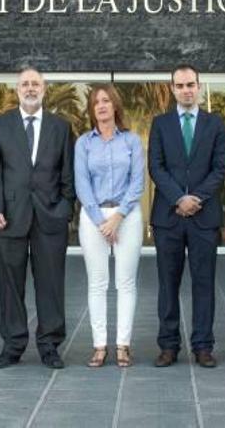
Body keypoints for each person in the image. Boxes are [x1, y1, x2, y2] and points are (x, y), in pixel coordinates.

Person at [0, 66, 75, 370]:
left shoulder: (60, 127)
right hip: (8, 217)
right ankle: (12, 345)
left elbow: (68, 175)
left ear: (45, 88)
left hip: (50, 218)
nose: (30, 88)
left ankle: (49, 345)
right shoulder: (0, 124)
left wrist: (65, 210)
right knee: (10, 285)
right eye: (25, 84)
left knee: (50, 284)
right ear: (17, 90)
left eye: (35, 83)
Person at [148, 64, 225, 368]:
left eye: (191, 84)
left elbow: (219, 169)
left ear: (199, 86)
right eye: (180, 85)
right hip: (168, 217)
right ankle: (168, 346)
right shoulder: (160, 124)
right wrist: (179, 198)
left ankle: (203, 346)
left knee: (204, 283)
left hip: (204, 217)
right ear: (172, 89)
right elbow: (156, 167)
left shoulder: (215, 124)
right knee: (167, 284)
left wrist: (196, 198)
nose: (186, 90)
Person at [75, 84, 144, 368]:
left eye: (106, 101)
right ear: (92, 110)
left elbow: (138, 181)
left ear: (115, 106)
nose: (101, 106)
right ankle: (100, 346)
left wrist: (118, 216)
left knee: (125, 283)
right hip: (93, 218)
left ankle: (123, 346)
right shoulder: (83, 143)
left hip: (127, 217)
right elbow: (82, 183)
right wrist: (101, 219)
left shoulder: (131, 141)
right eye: (96, 102)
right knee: (98, 283)